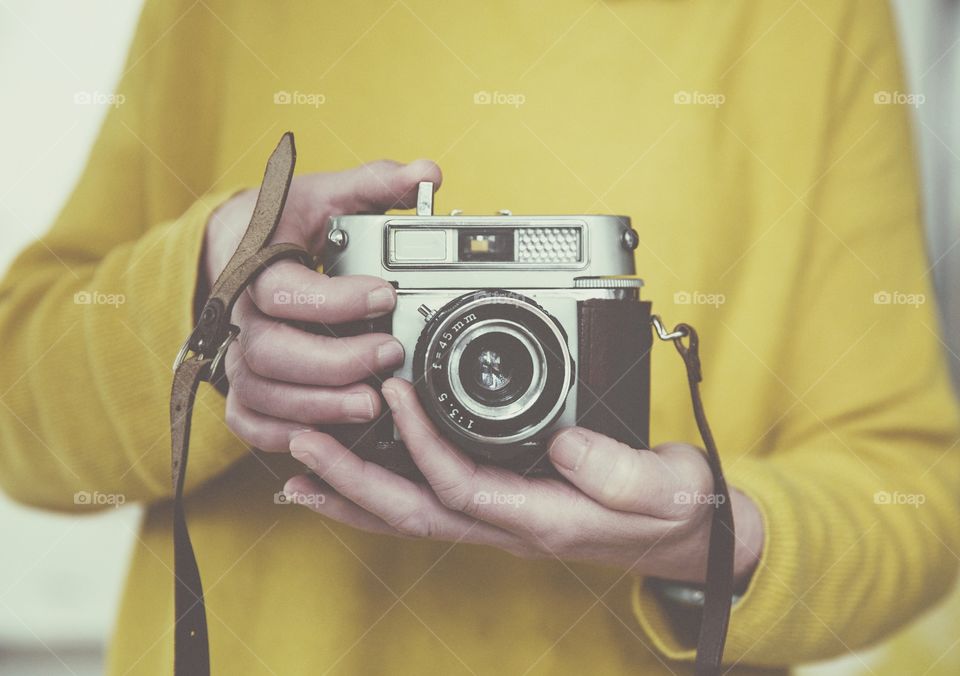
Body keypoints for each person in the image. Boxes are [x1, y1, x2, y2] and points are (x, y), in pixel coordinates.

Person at [1, 1, 957, 673]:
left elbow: (914, 493)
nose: (486, 357)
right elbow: (18, 409)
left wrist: (711, 537)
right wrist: (206, 305)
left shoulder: (805, 20)